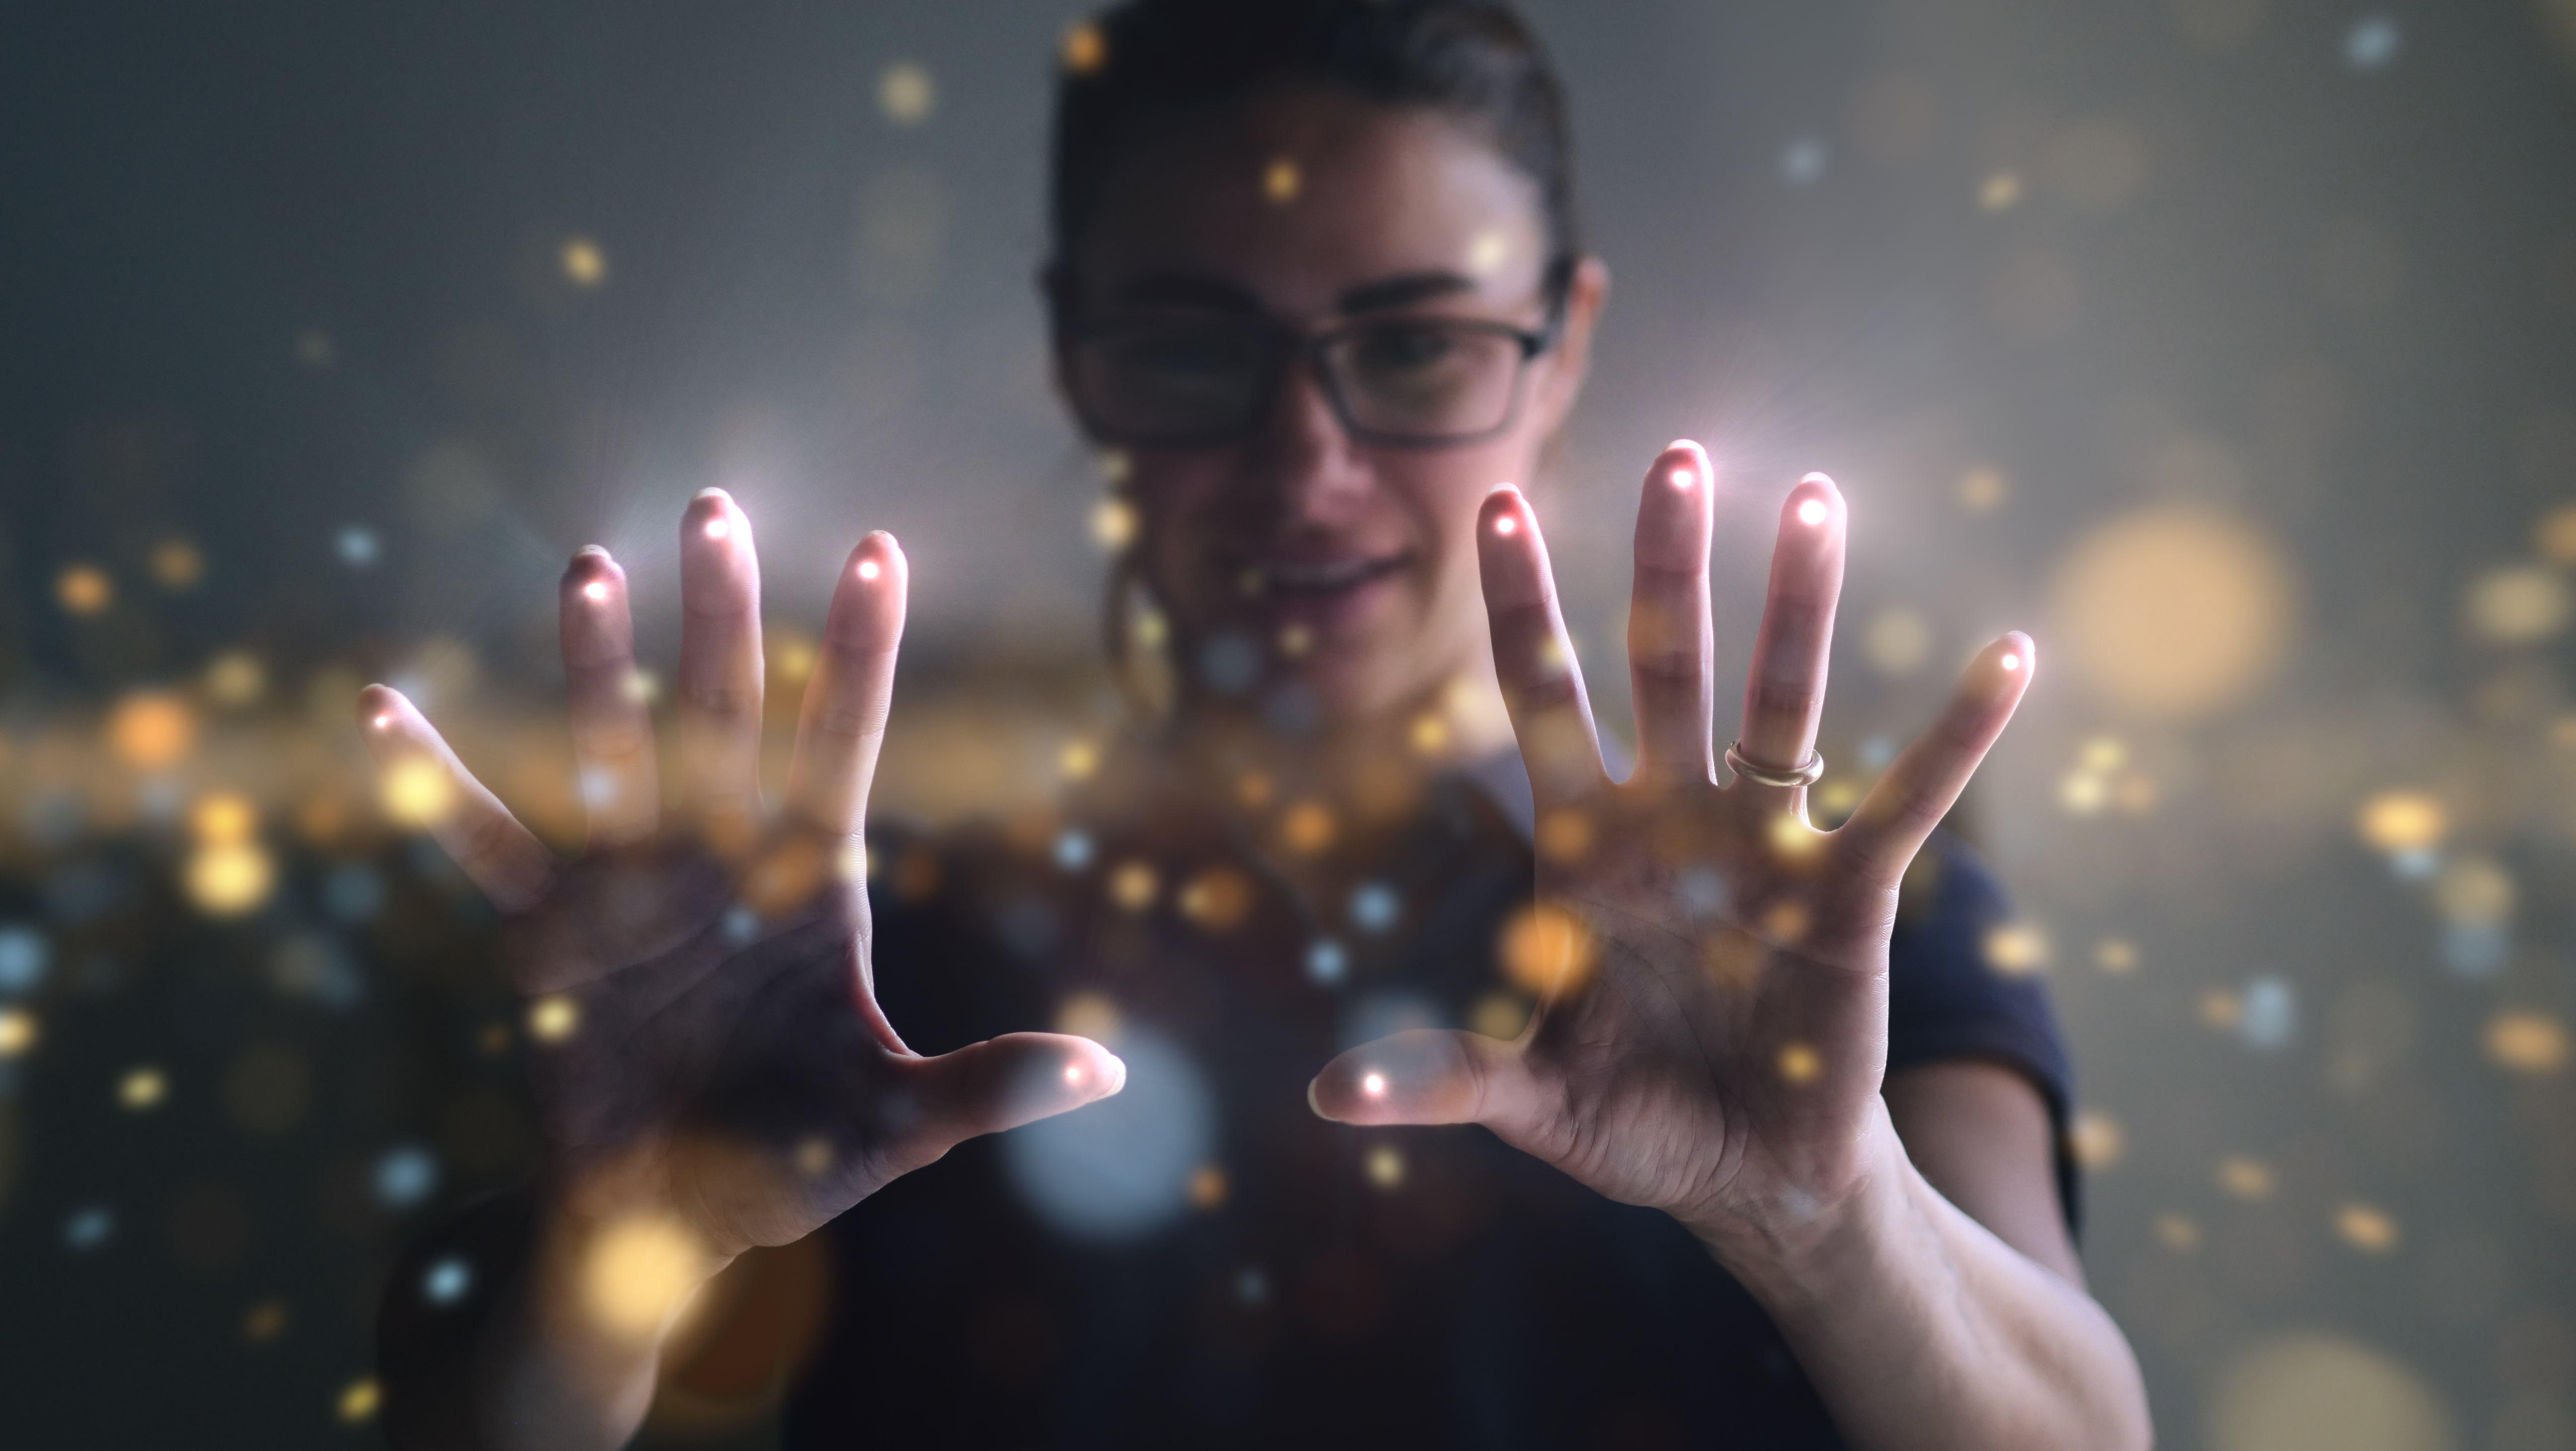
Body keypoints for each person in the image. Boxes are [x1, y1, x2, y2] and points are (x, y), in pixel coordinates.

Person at [366, 1, 2152, 1446]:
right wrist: (619, 1247)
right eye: (1194, 343)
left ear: (1565, 345)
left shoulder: (1820, 891)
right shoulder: (816, 891)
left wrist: (1826, 1217)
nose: (1309, 466)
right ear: (1076, 355)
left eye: (1416, 346)